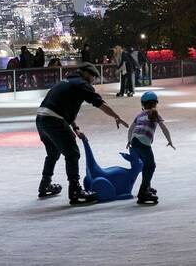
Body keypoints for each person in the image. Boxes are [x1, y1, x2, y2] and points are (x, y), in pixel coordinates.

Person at [35, 62, 130, 205]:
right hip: (54, 120)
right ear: (86, 73)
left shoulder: (66, 82)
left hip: (41, 119)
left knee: (53, 153)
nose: (93, 80)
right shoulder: (82, 84)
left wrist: (75, 127)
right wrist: (116, 116)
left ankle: (45, 185)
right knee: (72, 153)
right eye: (93, 77)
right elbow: (99, 103)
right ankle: (75, 191)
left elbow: (64, 108)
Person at [126, 91, 175, 205]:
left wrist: (129, 141)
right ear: (155, 104)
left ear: (143, 104)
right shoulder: (155, 114)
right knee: (151, 166)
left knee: (146, 165)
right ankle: (143, 193)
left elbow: (130, 129)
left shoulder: (139, 115)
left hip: (134, 141)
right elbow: (164, 128)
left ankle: (147, 186)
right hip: (143, 142)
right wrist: (169, 141)